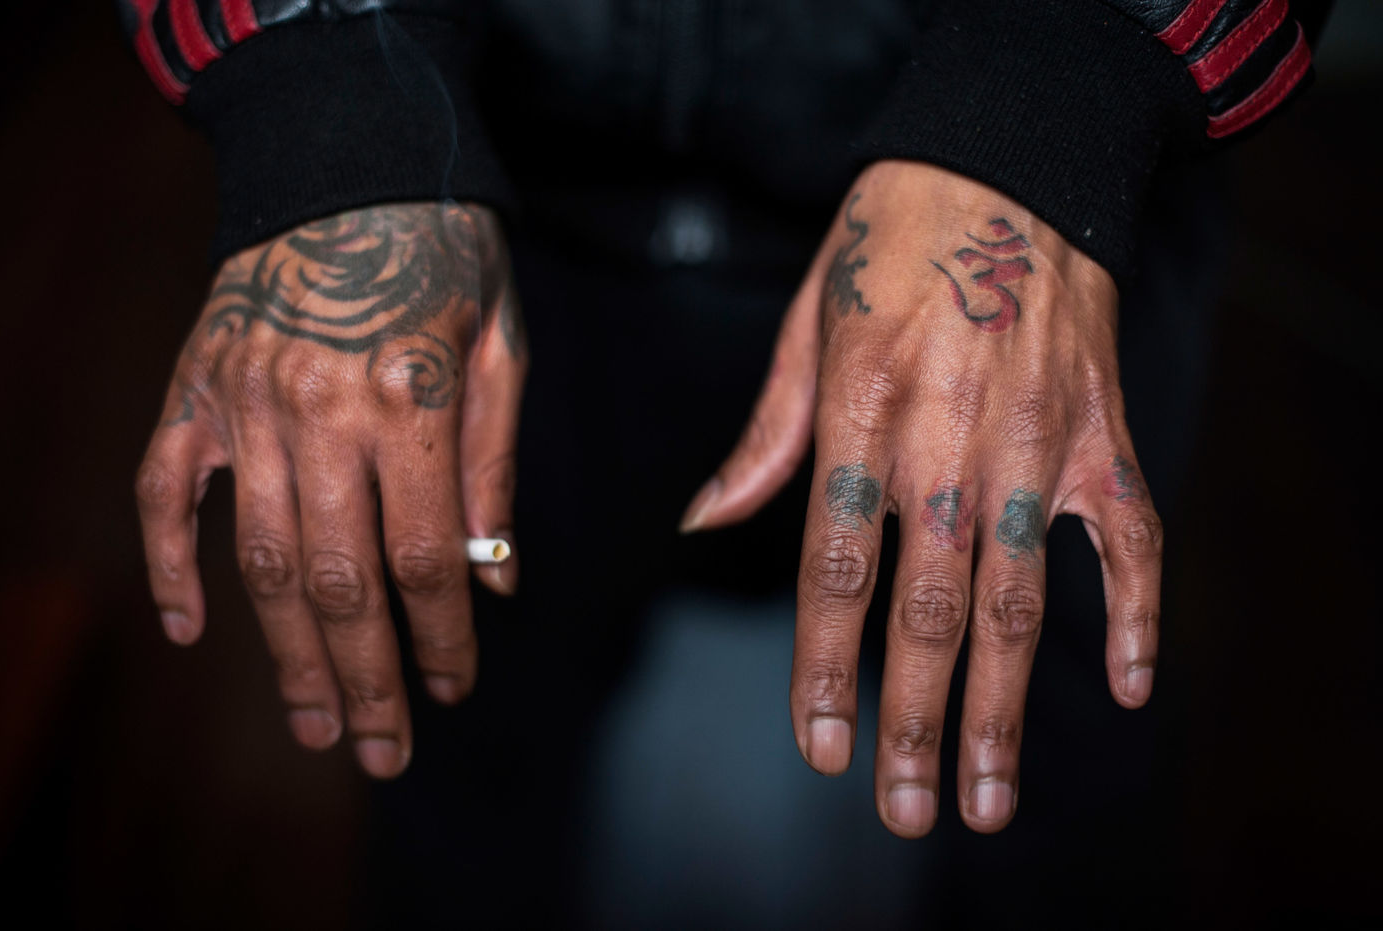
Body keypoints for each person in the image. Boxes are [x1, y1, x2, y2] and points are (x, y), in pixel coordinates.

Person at [120, 0, 1324, 877]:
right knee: (463, 709)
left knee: (1034, 763)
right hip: (494, 196)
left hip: (1025, 228)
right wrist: (333, 89)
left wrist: (1053, 92)